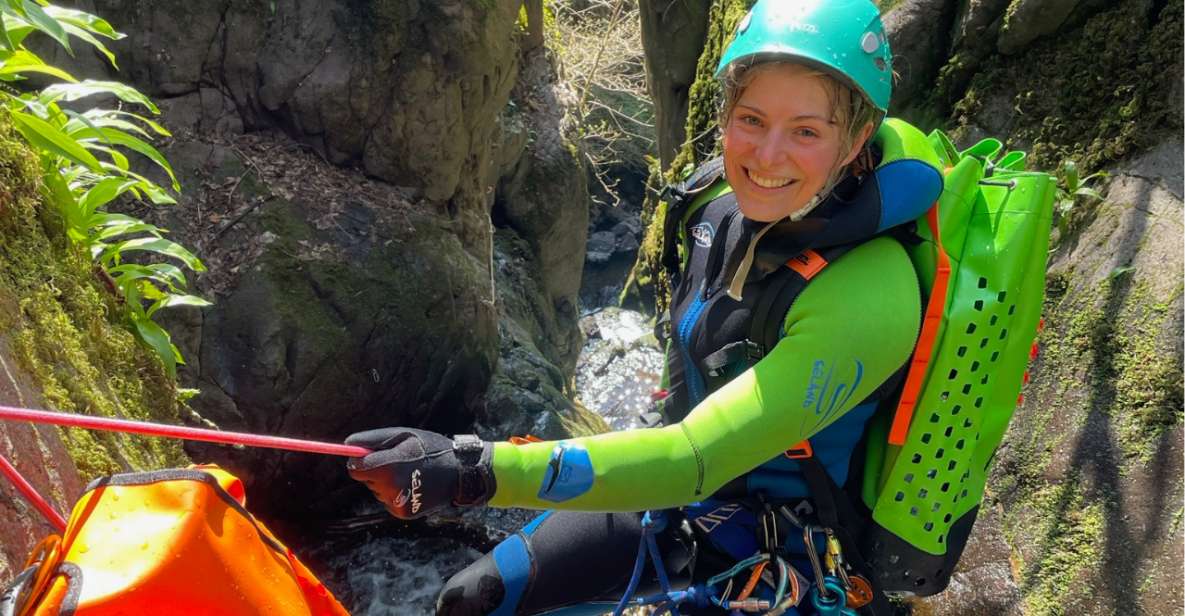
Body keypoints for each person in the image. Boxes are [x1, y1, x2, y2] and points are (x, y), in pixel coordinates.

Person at [346, 0, 941, 613]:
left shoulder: (871, 292)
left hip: (780, 556)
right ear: (725, 114)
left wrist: (472, 468)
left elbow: (693, 456)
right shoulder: (717, 207)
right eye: (752, 119)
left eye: (807, 131)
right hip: (678, 498)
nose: (766, 156)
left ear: (857, 140)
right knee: (476, 599)